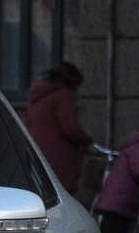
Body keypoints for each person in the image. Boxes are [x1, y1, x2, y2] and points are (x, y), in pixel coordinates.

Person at [23, 62, 94, 191]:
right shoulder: (63, 95)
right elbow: (70, 129)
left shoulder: (37, 96)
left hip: (39, 155)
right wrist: (87, 140)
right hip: (60, 159)